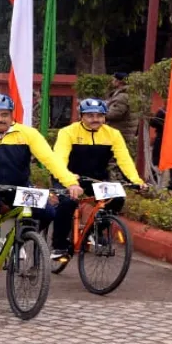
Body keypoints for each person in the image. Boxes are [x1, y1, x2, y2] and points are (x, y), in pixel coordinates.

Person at [0, 93, 82, 286]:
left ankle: (19, 238)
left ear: (11, 115)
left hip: (19, 186)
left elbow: (50, 159)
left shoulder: (28, 133)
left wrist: (70, 182)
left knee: (48, 212)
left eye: (4, 114)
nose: (0, 119)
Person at [50, 98, 145, 259]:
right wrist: (69, 181)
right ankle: (58, 245)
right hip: (67, 176)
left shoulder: (113, 134)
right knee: (68, 202)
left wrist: (136, 180)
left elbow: (124, 159)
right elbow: (60, 158)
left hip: (97, 178)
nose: (95, 119)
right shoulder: (68, 132)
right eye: (90, 116)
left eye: (100, 116)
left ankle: (95, 231)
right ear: (81, 116)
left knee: (117, 198)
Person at [105, 72, 137, 146]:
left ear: (119, 82)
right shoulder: (131, 94)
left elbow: (114, 114)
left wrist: (100, 112)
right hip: (127, 131)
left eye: (113, 80)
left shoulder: (122, 96)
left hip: (120, 131)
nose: (112, 82)